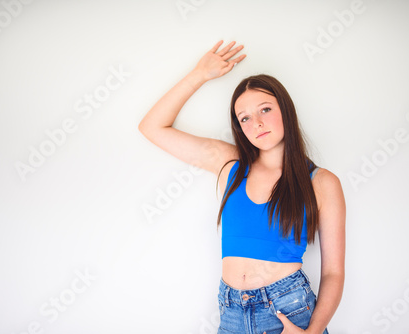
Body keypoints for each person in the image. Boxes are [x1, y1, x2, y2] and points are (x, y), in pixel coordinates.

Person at [138, 40, 346, 334]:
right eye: (245, 118)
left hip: (290, 313)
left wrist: (312, 333)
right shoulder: (229, 163)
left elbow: (334, 273)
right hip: (232, 311)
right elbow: (152, 127)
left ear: (285, 109)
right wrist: (199, 74)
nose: (257, 123)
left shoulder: (322, 182)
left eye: (265, 109)